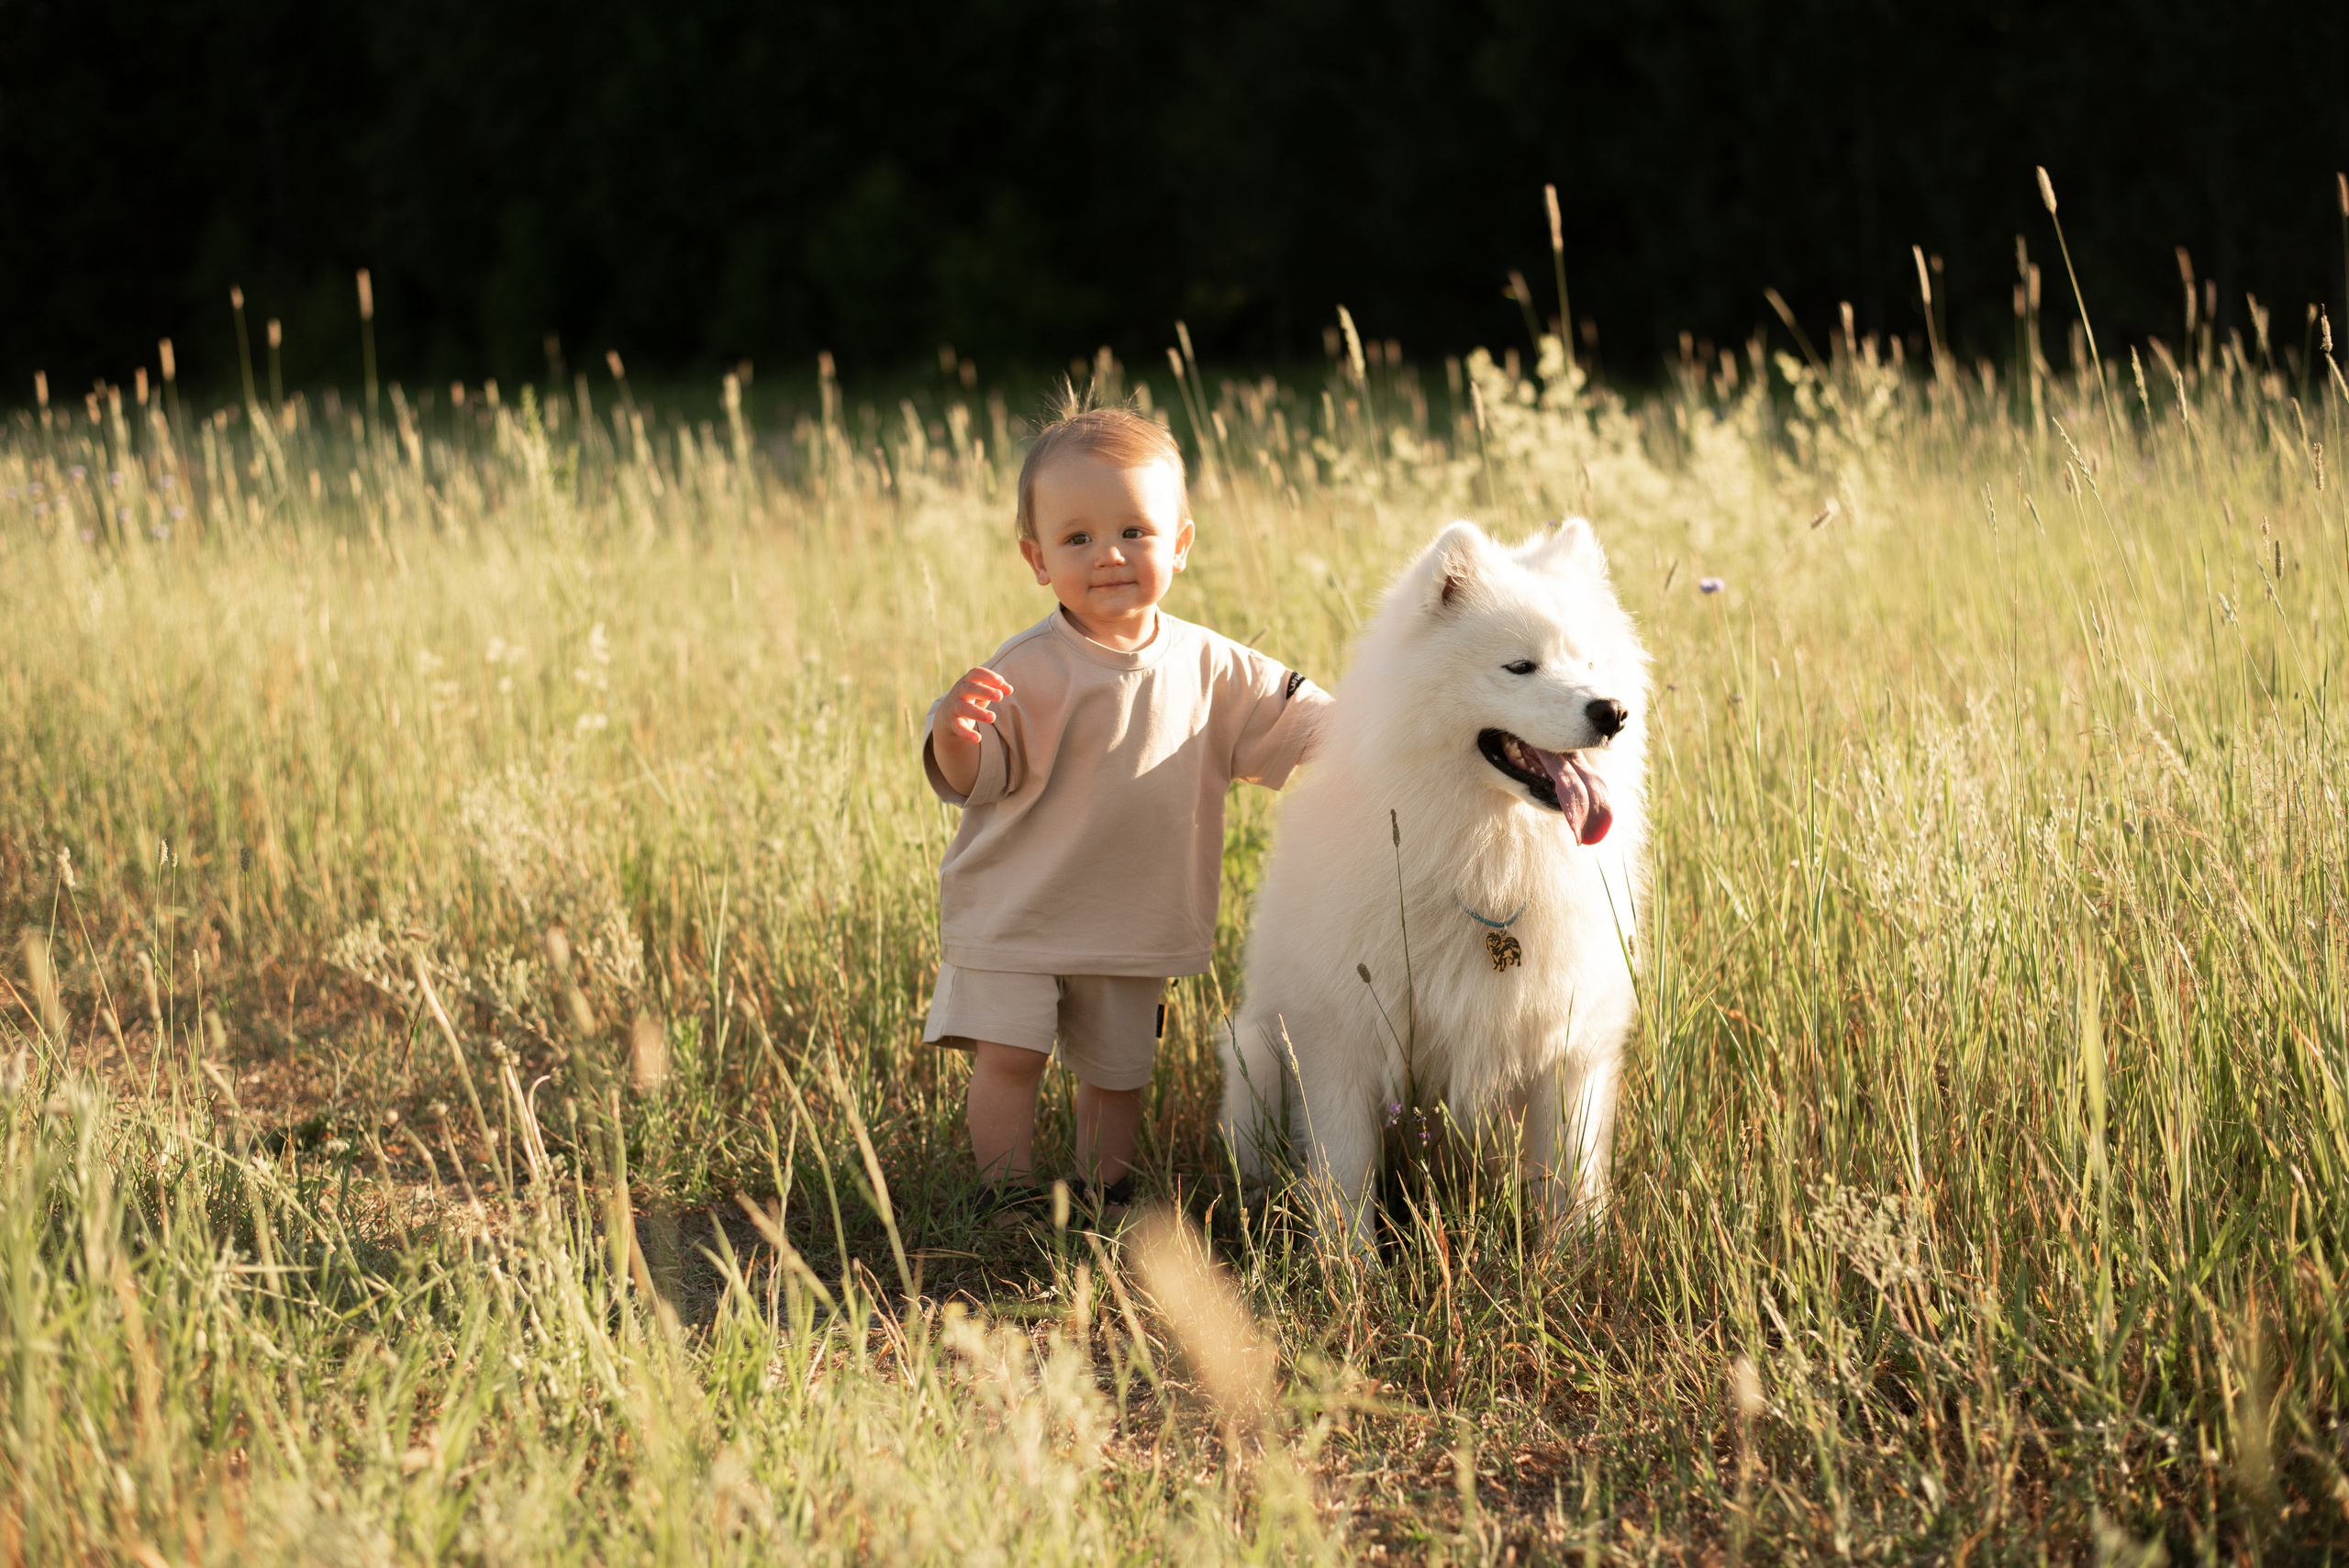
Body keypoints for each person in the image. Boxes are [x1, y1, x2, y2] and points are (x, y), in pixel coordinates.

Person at [922, 395, 1331, 1224]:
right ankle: (1005, 1195)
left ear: (1178, 544)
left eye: (1134, 532)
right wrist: (954, 729)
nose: (1108, 554)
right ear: (1039, 558)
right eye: (1077, 538)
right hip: (1018, 909)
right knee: (1008, 1058)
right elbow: (976, 778)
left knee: (1116, 1073)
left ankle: (1099, 1194)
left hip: (1131, 917)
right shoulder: (1027, 668)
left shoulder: (1216, 667)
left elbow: (1315, 721)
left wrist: (1395, 731)